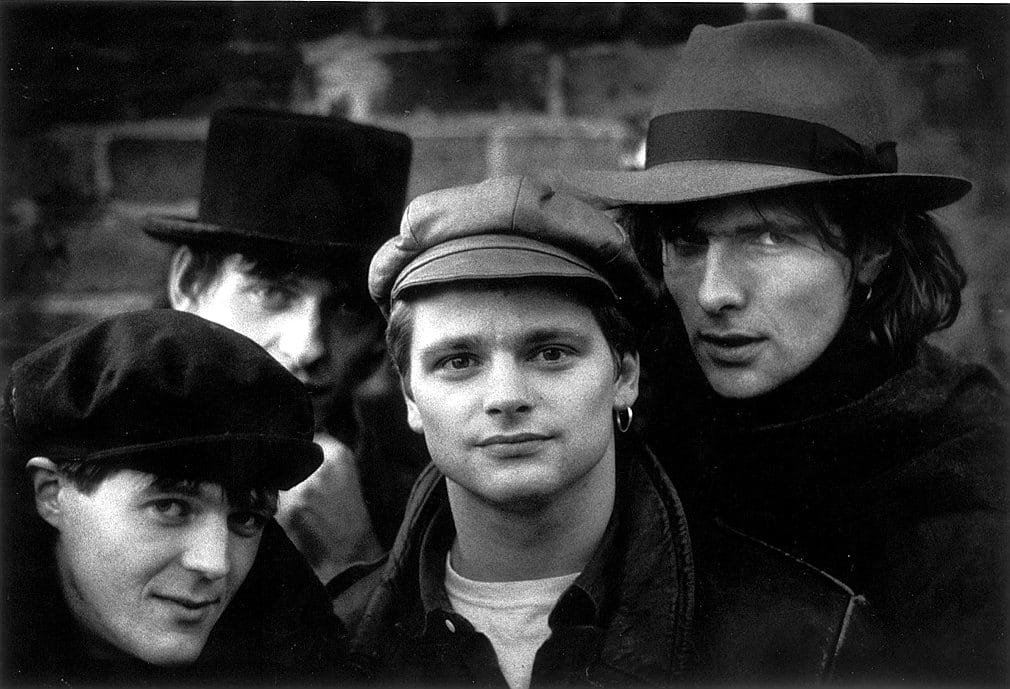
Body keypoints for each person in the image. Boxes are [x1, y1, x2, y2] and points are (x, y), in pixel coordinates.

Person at [555, 20, 1008, 683]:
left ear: (871, 248)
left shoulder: (962, 484)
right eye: (687, 241)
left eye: (767, 238)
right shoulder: (632, 416)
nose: (715, 292)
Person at [336, 175, 878, 687]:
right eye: (458, 362)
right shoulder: (334, 635)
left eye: (551, 353)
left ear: (624, 376)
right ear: (410, 396)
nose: (506, 396)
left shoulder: (800, 640)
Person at [143, 107, 429, 583]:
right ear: (191, 283)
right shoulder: (94, 456)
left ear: (382, 333)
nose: (308, 346)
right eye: (272, 292)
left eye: (347, 309)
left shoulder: (425, 487)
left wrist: (354, 556)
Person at [1, 309, 345, 686]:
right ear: (52, 493)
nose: (214, 564)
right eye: (170, 506)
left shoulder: (292, 649)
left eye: (246, 518)